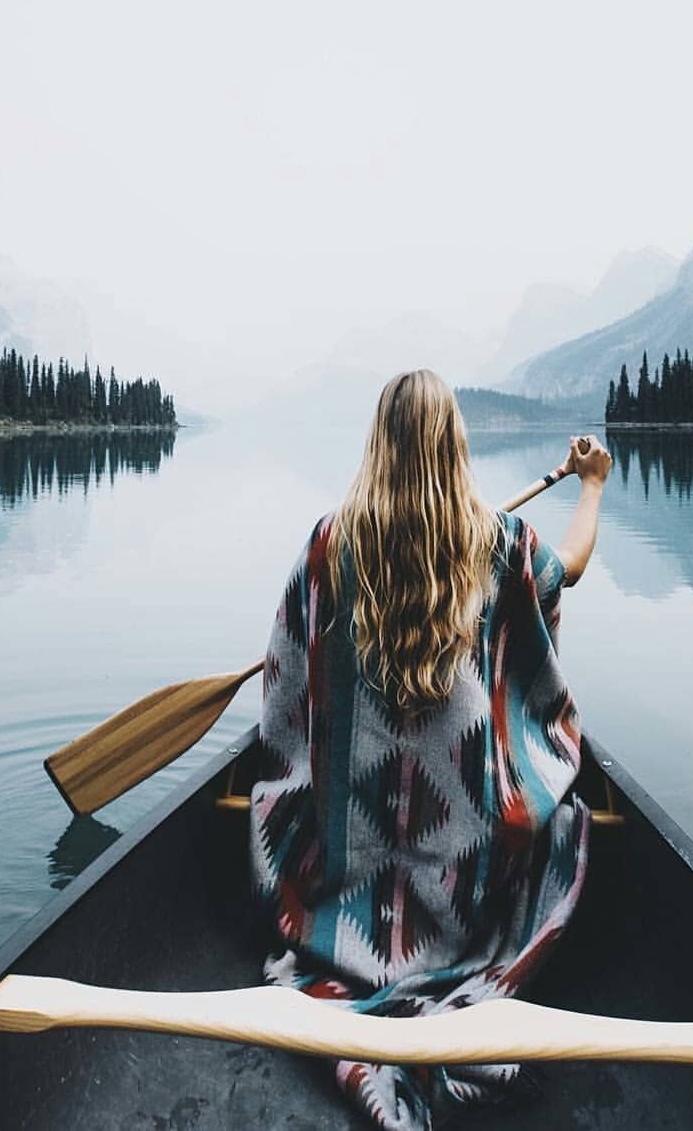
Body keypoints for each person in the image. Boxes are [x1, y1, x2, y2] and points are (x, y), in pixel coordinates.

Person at [249, 370, 612, 1130]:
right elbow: (568, 572)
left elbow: (286, 689)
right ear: (455, 443)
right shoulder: (501, 543)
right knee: (565, 818)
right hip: (471, 853)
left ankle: (360, 959)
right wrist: (593, 487)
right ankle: (457, 968)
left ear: (379, 442)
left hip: (353, 850)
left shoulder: (328, 544)